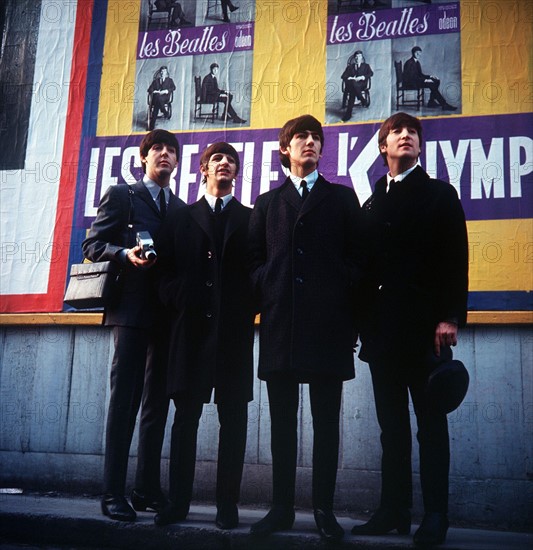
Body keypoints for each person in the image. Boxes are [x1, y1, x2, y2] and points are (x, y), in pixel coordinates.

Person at [352, 112, 468, 546]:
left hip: (425, 332)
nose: (406, 136)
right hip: (381, 335)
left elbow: (455, 259)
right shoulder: (372, 199)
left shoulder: (439, 194)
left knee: (431, 425)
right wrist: (359, 324)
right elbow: (364, 269)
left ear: (419, 146)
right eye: (397, 132)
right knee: (392, 429)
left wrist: (449, 317)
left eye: (413, 133)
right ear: (383, 147)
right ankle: (393, 511)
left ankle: (436, 515)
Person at [247, 115, 363, 543]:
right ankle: (280, 509)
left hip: (329, 328)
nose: (310, 143)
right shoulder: (266, 203)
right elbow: (251, 260)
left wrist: (340, 291)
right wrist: (268, 285)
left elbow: (360, 260)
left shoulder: (342, 200)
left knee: (326, 423)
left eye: (316, 138)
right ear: (285, 148)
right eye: (301, 137)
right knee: (282, 422)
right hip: (280, 327)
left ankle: (324, 510)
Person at [82, 130, 185, 522]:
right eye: (157, 148)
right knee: (123, 401)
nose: (164, 154)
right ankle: (112, 493)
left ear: (177, 162)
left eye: (171, 151)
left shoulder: (179, 208)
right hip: (129, 311)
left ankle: (145, 489)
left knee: (156, 403)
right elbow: (92, 245)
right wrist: (125, 254)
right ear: (144, 158)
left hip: (167, 316)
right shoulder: (122, 196)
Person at [154, 142, 255, 530]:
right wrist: (179, 297)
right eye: (217, 159)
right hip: (191, 334)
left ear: (236, 173)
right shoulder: (181, 218)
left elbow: (258, 267)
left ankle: (226, 504)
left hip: (233, 335)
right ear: (203, 169)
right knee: (185, 420)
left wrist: (248, 305)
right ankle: (178, 502)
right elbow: (160, 271)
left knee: (234, 420)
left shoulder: (249, 218)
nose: (225, 163)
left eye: (231, 160)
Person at [403, 46, 457, 111]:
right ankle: (443, 104)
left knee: (436, 81)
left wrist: (430, 77)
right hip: (410, 83)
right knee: (431, 84)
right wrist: (425, 80)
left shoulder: (416, 62)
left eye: (420, 53)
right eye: (417, 53)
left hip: (416, 81)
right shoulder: (409, 63)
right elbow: (411, 77)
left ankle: (431, 102)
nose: (419, 55)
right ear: (413, 53)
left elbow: (420, 74)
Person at [341, 50, 373, 122]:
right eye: (356, 57)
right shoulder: (350, 67)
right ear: (354, 58)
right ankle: (362, 99)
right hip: (353, 86)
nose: (358, 58)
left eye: (359, 56)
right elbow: (343, 76)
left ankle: (348, 114)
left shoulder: (366, 66)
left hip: (362, 85)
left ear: (361, 57)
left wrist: (362, 77)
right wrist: (350, 78)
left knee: (353, 87)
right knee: (353, 84)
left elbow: (371, 73)